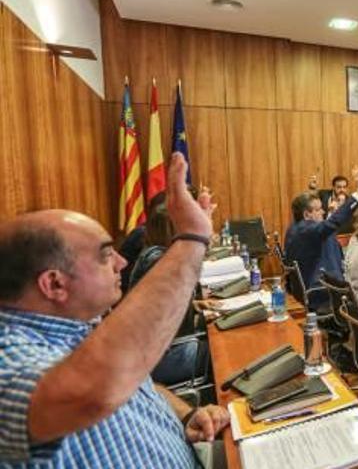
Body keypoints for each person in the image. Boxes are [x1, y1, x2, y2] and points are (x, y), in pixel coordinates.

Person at [0, 153, 229, 468]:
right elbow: (89, 392)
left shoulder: (82, 326)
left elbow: (140, 385)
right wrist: (191, 239)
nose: (122, 262)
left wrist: (185, 414)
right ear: (54, 284)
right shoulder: (8, 359)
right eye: (106, 256)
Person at [128, 188, 215, 386]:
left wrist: (194, 305)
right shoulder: (157, 260)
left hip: (163, 351)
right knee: (223, 352)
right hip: (161, 360)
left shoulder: (156, 254)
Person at [284, 165, 358, 310]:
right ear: (306, 215)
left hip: (307, 283)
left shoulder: (295, 228)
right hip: (321, 290)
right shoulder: (308, 230)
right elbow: (330, 225)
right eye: (318, 209)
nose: (323, 211)